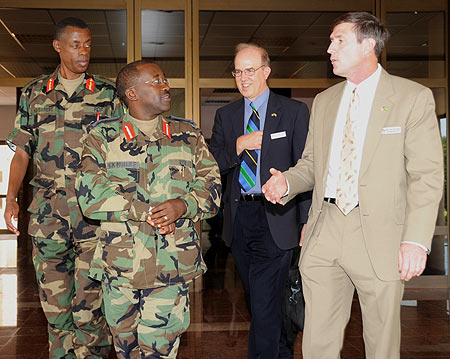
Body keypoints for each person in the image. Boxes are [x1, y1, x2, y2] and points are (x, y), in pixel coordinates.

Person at [262, 12, 444, 359]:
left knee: (381, 340)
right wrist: (287, 182)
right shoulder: (325, 101)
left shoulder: (412, 98)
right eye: (331, 41)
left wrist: (415, 240)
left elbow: (427, 174)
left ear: (368, 45)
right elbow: (313, 166)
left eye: (339, 40)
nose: (329, 48)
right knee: (317, 341)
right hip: (326, 229)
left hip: (380, 235)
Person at [75, 59, 221, 358]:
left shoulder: (188, 135)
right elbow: (90, 196)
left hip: (171, 264)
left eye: (164, 79)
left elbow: (213, 187)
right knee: (125, 349)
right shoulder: (102, 138)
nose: (165, 86)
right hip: (120, 267)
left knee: (160, 350)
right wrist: (150, 211)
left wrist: (183, 205)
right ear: (132, 93)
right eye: (156, 81)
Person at [4, 17, 122, 358]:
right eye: (75, 45)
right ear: (58, 46)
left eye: (87, 44)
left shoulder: (107, 94)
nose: (83, 51)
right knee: (55, 308)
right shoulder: (33, 93)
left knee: (91, 304)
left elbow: (120, 154)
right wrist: (10, 198)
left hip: (93, 220)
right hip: (47, 217)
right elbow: (22, 152)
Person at [209, 43, 311, 358]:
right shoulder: (225, 116)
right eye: (238, 71)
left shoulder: (293, 111)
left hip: (277, 217)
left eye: (249, 70)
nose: (243, 77)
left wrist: (306, 221)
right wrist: (239, 144)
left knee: (265, 303)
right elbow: (212, 165)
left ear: (266, 71)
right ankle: (282, 350)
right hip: (240, 219)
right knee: (259, 301)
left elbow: (307, 167)